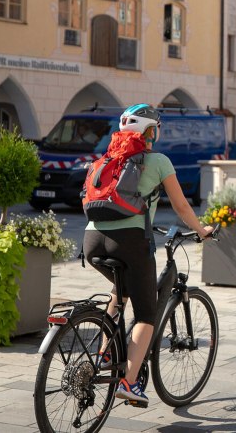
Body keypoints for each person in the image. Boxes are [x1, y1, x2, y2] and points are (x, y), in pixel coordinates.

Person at [83, 103, 212, 405]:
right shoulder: (158, 161)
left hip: (91, 240)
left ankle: (104, 353)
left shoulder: (106, 158)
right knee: (146, 314)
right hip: (129, 241)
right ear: (149, 132)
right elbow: (181, 207)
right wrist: (202, 230)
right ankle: (128, 383)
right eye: (156, 129)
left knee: (121, 290)